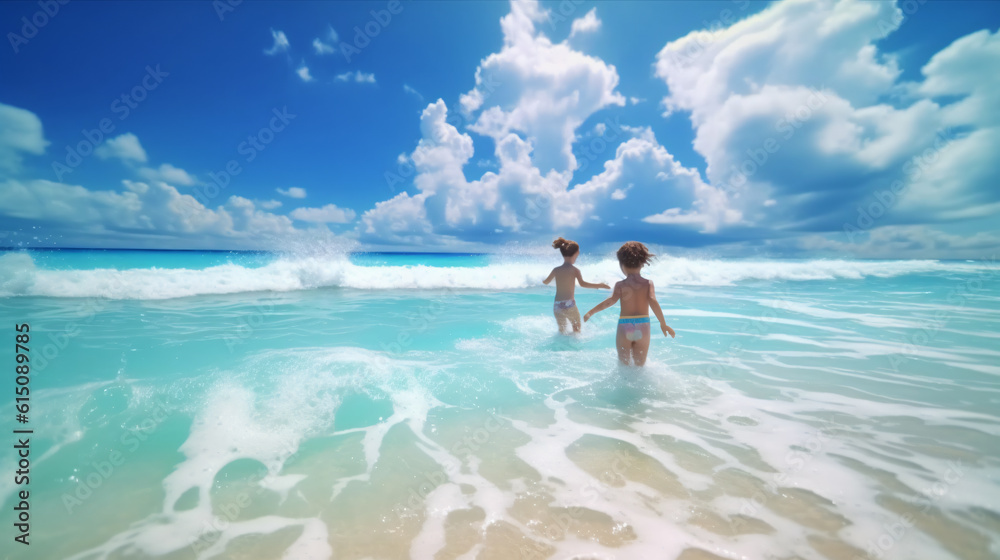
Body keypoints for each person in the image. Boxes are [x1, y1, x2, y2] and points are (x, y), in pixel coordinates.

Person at [584, 241, 675, 365]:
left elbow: (610, 301)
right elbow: (653, 301)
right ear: (643, 264)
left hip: (625, 326)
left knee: (624, 365)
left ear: (622, 265)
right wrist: (663, 324)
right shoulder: (648, 283)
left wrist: (591, 312)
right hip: (643, 326)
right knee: (639, 367)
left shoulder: (620, 285)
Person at [543, 237, 610, 334]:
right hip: (569, 304)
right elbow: (583, 284)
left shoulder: (556, 270)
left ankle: (561, 348)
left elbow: (546, 282)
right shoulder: (574, 270)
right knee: (577, 329)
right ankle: (574, 348)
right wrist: (601, 285)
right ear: (576, 254)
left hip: (557, 305)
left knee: (562, 331)